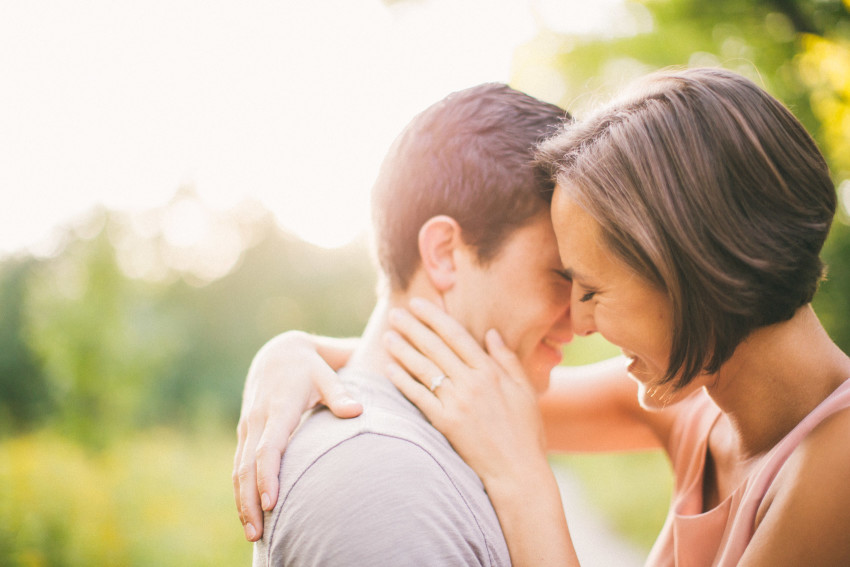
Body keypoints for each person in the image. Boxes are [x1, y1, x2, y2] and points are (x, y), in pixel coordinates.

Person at [237, 68, 850, 565]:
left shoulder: (837, 466)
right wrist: (294, 350)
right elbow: (461, 385)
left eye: (589, 286)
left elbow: (491, 417)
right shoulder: (700, 405)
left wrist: (525, 486)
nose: (581, 323)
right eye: (565, 280)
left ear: (689, 270)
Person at [238, 82, 575, 565]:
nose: (584, 319)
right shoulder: (381, 480)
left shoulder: (463, 431)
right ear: (443, 253)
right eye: (560, 274)